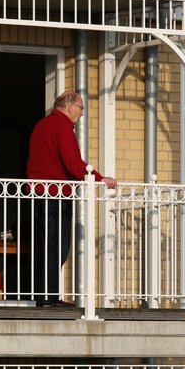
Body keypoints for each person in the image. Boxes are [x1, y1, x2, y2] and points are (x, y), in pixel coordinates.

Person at [26, 90, 117, 307]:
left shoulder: (41, 125)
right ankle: (49, 300)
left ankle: (44, 299)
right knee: (57, 247)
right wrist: (98, 178)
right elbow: (73, 162)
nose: (81, 114)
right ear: (70, 107)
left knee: (43, 247)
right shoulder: (62, 126)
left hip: (36, 193)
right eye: (81, 109)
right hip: (56, 195)